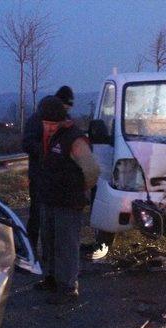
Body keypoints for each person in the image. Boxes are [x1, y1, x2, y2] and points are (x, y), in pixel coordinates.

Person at [37, 96, 100, 304]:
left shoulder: (75, 139)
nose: (47, 127)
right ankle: (52, 279)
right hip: (50, 199)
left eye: (51, 124)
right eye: (45, 123)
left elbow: (92, 171)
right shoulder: (52, 136)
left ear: (62, 121)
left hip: (68, 202)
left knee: (67, 245)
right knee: (49, 241)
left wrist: (78, 190)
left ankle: (68, 287)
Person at [22, 86, 75, 258]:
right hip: (39, 175)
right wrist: (47, 150)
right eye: (65, 107)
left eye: (68, 109)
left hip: (56, 178)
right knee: (37, 214)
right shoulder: (38, 119)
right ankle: (30, 252)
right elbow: (27, 143)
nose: (66, 111)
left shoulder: (64, 119)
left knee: (53, 218)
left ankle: (49, 256)